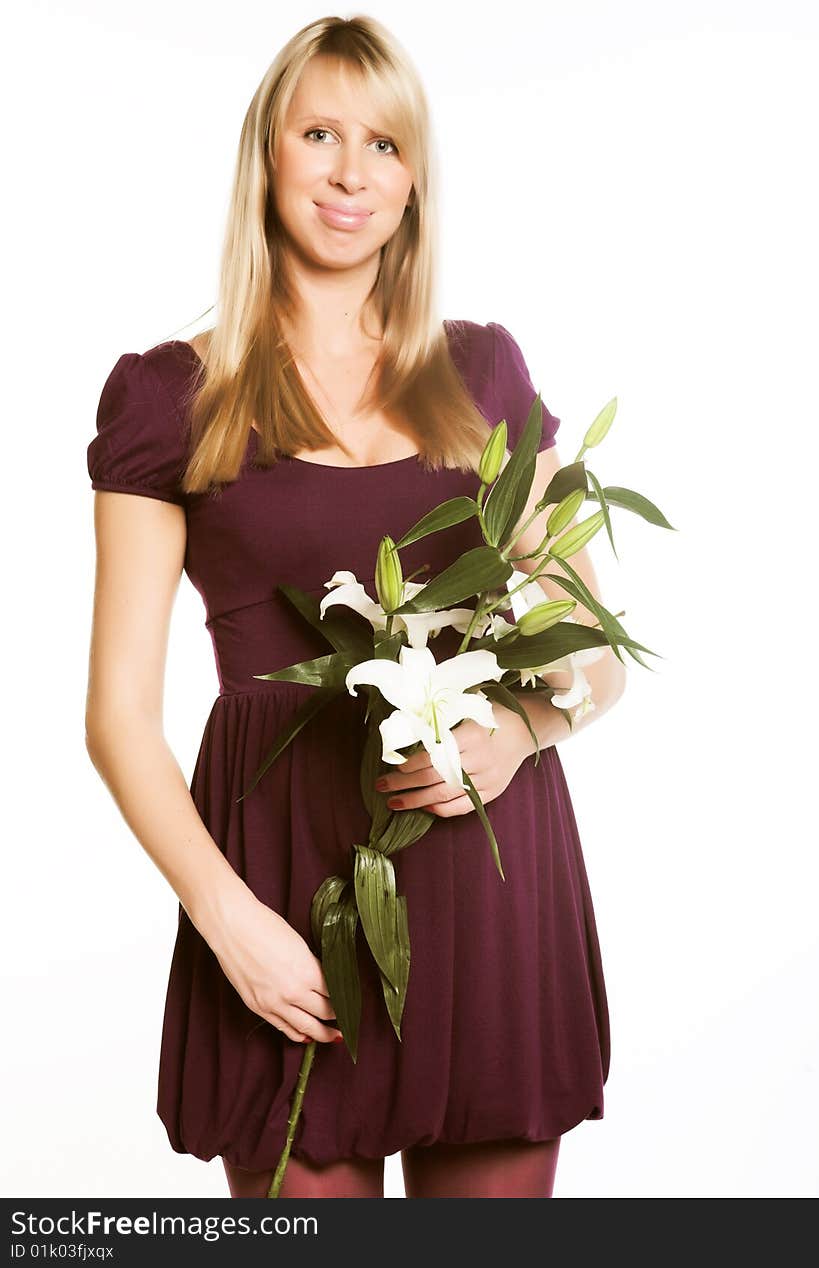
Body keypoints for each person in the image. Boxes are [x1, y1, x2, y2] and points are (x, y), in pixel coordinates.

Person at [84, 15, 624, 1199]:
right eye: (319, 133)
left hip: (487, 890)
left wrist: (517, 734)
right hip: (280, 891)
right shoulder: (169, 398)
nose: (350, 172)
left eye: (383, 144)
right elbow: (118, 716)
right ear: (265, 156)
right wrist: (231, 923)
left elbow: (594, 647)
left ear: (414, 177)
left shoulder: (482, 372)